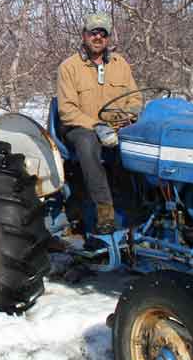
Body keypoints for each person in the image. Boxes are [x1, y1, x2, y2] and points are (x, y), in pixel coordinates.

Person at [56, 12, 140, 236]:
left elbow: (135, 99)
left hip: (115, 127)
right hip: (78, 128)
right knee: (87, 142)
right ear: (84, 35)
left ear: (108, 38)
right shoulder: (69, 67)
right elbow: (67, 110)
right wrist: (96, 125)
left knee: (140, 140)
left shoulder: (120, 64)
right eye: (93, 32)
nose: (98, 37)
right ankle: (104, 211)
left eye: (103, 33)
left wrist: (128, 119)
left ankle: (141, 208)